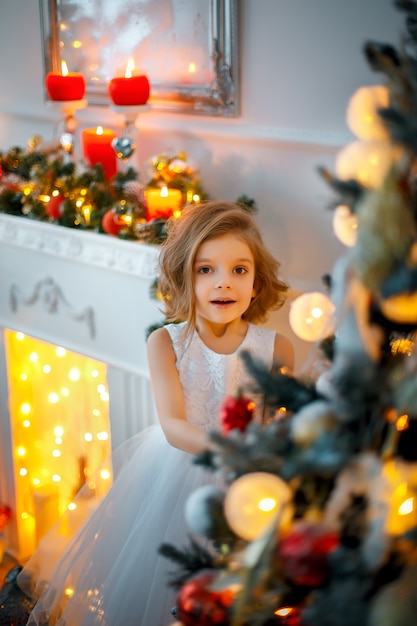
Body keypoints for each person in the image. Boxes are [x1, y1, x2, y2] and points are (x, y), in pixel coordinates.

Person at [18, 201, 294, 626]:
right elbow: (173, 426)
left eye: (239, 270)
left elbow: (283, 418)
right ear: (184, 277)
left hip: (254, 479)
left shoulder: (278, 347)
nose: (225, 284)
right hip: (177, 473)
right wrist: (232, 451)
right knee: (170, 587)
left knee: (245, 591)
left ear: (257, 283)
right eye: (206, 270)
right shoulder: (166, 344)